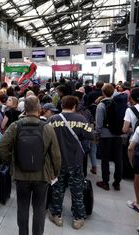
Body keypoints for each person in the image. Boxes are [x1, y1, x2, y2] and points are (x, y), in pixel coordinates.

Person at [0, 96, 61, 235]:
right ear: (39, 109)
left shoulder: (15, 126)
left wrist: (11, 162)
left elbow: (1, 146)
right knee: (39, 208)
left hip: (21, 175)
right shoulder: (48, 128)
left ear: (24, 109)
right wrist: (55, 172)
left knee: (23, 207)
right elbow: (56, 154)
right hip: (42, 175)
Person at [47, 96, 93, 229]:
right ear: (75, 106)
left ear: (61, 105)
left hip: (57, 162)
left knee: (58, 189)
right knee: (77, 190)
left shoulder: (52, 119)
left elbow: (45, 137)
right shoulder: (82, 119)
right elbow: (91, 135)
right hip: (75, 161)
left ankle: (56, 215)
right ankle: (78, 218)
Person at [95, 84, 124, 191]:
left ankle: (105, 182)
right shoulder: (119, 103)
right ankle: (117, 183)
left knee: (105, 159)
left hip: (105, 135)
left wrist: (97, 134)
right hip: (118, 134)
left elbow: (99, 124)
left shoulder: (101, 105)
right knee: (118, 159)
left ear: (103, 92)